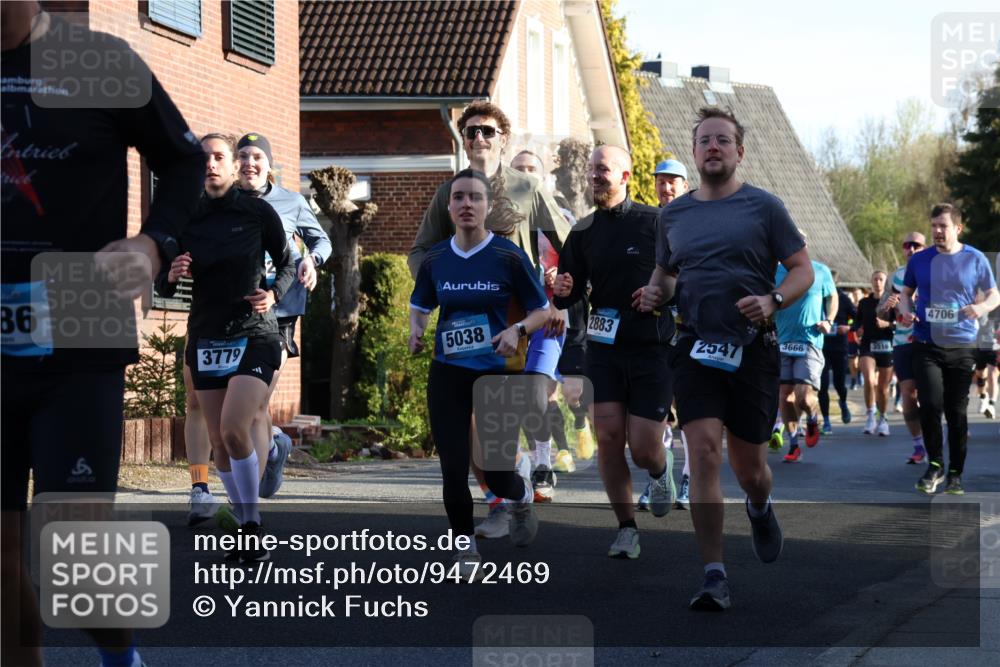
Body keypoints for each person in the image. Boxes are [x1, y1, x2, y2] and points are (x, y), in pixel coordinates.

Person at [1, 3, 204, 665]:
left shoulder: (101, 61)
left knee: (74, 557)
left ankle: (124, 657)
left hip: (81, 329)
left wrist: (152, 242)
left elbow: (183, 162)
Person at [640, 107, 813, 610]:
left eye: (723, 140)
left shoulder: (765, 207)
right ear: (694, 152)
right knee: (704, 455)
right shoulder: (673, 214)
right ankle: (713, 573)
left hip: (751, 349)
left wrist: (773, 301)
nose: (713, 147)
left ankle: (760, 506)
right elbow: (668, 274)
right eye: (704, 141)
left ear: (739, 151)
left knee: (750, 468)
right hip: (694, 346)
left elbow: (800, 269)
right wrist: (656, 294)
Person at [407, 102, 570, 534]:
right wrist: (432, 291)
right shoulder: (452, 192)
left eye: (488, 131)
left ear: (503, 139)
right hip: (464, 328)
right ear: (463, 140)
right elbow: (421, 251)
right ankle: (501, 502)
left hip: (516, 323)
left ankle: (510, 493)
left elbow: (566, 244)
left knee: (493, 432)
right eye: (472, 132)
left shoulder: (525, 187)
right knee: (468, 439)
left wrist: (561, 292)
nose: (479, 138)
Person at [159, 133, 295, 561]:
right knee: (219, 441)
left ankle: (252, 525)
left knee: (236, 426)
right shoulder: (185, 217)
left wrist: (274, 294)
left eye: (220, 157)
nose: (211, 164)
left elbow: (289, 262)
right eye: (205, 159)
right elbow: (161, 270)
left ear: (234, 167)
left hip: (255, 331)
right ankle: (246, 523)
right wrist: (170, 270)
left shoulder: (257, 211)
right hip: (207, 334)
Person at [409, 169, 549, 579]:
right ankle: (464, 548)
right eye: (459, 198)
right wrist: (417, 329)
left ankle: (519, 497)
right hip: (448, 371)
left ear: (488, 207)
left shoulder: (507, 256)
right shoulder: (436, 258)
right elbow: (421, 304)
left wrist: (517, 329)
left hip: (496, 375)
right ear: (450, 207)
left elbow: (541, 311)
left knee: (499, 474)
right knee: (452, 466)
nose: (467, 204)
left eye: (475, 197)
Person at [553, 145, 676, 560]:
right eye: (591, 170)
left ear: (625, 175)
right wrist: (562, 291)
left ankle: (660, 471)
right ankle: (626, 527)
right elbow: (567, 290)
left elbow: (685, 277)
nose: (594, 176)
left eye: (602, 169)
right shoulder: (584, 230)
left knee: (642, 447)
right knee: (607, 438)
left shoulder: (655, 222)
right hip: (603, 349)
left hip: (650, 347)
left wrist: (662, 296)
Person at [237, 132, 331, 497]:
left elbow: (321, 240)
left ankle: (249, 499)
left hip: (281, 311)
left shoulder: (290, 201)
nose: (249, 163)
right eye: (242, 156)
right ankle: (274, 444)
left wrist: (311, 259)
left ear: (268, 164)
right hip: (235, 313)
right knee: (241, 404)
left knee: (259, 401)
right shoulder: (224, 203)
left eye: (257, 156)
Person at [898, 203, 999, 495]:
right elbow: (906, 294)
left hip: (962, 344)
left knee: (956, 412)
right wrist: (905, 310)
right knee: (929, 405)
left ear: (958, 228)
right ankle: (935, 465)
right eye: (934, 227)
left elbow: (994, 294)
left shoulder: (975, 259)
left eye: (943, 226)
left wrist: (981, 306)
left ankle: (956, 472)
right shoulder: (920, 260)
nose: (937, 232)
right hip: (927, 342)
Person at [775, 257, 837, 462]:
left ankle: (812, 417)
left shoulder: (819, 270)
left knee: (802, 396)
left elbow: (832, 297)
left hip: (810, 339)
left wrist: (829, 320)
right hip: (782, 340)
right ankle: (793, 444)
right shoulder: (774, 272)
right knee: (784, 395)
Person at [879, 232, 927, 462]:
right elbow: (880, 310)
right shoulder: (896, 276)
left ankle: (934, 436)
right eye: (907, 245)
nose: (911, 249)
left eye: (916, 245)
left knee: (930, 395)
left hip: (927, 340)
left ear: (924, 247)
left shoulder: (932, 272)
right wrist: (886, 306)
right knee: (908, 392)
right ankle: (918, 446)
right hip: (901, 342)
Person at [855, 271, 895, 436]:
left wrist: (887, 324)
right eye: (875, 279)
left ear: (885, 283)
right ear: (871, 282)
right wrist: (857, 329)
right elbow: (857, 321)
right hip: (868, 345)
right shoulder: (864, 302)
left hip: (886, 346)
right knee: (870, 381)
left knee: (883, 387)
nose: (878, 282)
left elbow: (900, 324)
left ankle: (883, 418)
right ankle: (871, 415)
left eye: (881, 279)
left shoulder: (892, 301)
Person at [818, 269, 857, 434]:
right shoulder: (817, 297)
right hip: (821, 347)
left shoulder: (843, 298)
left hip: (840, 347)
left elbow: (857, 318)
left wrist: (847, 327)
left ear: (835, 282)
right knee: (823, 385)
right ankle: (826, 421)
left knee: (840, 384)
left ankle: (843, 401)